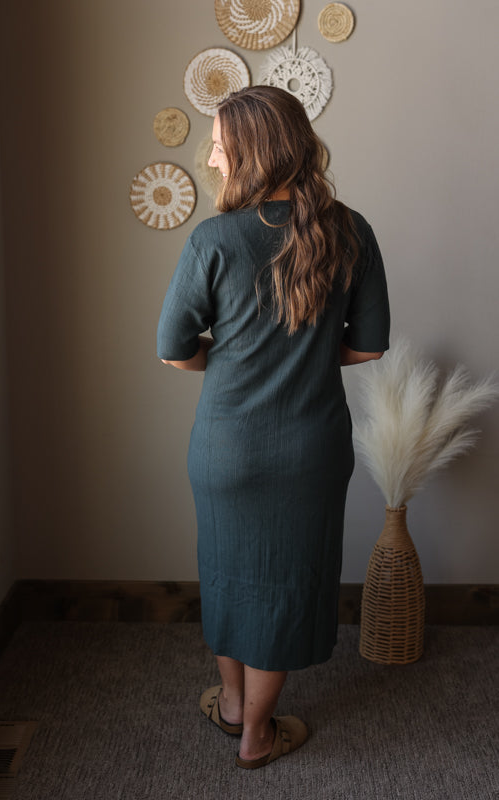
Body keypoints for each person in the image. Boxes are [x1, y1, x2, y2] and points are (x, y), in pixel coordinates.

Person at [157, 86, 390, 769]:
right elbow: (369, 346)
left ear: (251, 152)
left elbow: (173, 349)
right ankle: (252, 724)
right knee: (286, 585)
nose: (210, 155)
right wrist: (308, 355)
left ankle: (240, 716)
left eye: (219, 144)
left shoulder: (212, 239)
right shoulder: (350, 230)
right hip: (309, 452)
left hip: (225, 447)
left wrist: (227, 357)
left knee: (227, 572)